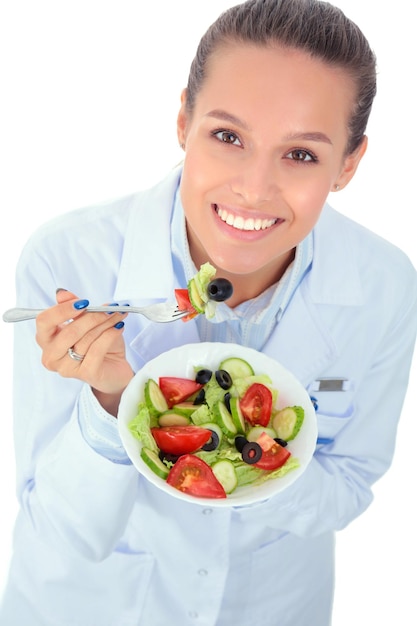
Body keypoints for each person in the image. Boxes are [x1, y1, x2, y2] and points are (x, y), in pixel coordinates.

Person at [1, 0, 416, 624]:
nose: (253, 187)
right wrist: (113, 402)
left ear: (348, 165)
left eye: (301, 153)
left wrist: (256, 453)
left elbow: (347, 489)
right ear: (182, 122)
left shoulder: (384, 285)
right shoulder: (69, 258)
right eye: (228, 136)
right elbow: (66, 530)